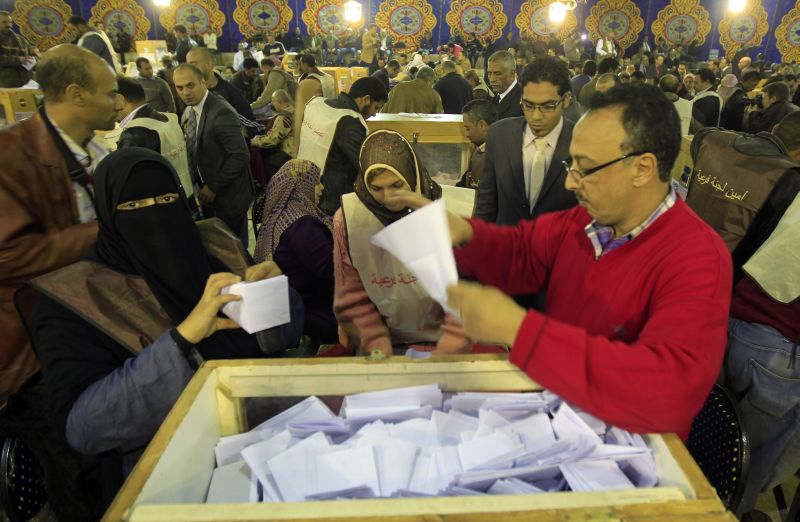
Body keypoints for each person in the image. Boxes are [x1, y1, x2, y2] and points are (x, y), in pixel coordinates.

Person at [394, 83, 732, 440]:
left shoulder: (698, 259)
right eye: (572, 165)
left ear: (643, 168)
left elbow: (666, 390)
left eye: (584, 169)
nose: (571, 183)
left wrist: (520, 330)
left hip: (627, 445)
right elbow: (522, 252)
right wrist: (464, 233)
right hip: (558, 413)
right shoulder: (586, 222)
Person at [33, 148, 303, 500]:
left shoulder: (215, 245)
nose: (154, 215)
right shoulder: (77, 294)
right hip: (169, 469)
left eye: (166, 199)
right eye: (133, 207)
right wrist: (184, 338)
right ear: (109, 216)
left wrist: (274, 293)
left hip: (268, 436)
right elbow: (84, 428)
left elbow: (281, 337)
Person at [0, 44, 120, 407]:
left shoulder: (93, 150)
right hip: (36, 348)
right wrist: (111, 229)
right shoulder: (11, 156)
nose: (118, 103)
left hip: (91, 316)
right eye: (111, 93)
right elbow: (7, 256)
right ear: (76, 95)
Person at [333, 130, 469, 356]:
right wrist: (375, 339)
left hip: (445, 339)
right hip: (383, 341)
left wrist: (455, 335)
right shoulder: (349, 219)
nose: (388, 197)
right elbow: (351, 292)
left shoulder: (447, 213)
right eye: (376, 188)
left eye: (397, 185)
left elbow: (467, 286)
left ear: (412, 177)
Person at [475, 57, 576, 225]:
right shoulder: (499, 135)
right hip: (506, 246)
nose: (536, 116)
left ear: (566, 99)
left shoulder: (582, 140)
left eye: (547, 106)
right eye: (528, 105)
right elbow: (486, 204)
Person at [254, 159, 336, 345]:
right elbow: (330, 269)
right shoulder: (302, 225)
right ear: (301, 185)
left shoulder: (280, 214)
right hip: (311, 306)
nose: (321, 188)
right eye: (316, 182)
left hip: (293, 299)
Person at [173, 64, 254, 247]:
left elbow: (240, 156)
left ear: (203, 82)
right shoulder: (190, 110)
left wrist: (213, 186)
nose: (185, 92)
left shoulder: (220, 112)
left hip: (229, 198)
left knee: (234, 252)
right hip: (209, 197)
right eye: (180, 88)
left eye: (190, 85)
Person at [297, 77, 387, 216]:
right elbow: (366, 165)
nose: (375, 113)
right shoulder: (349, 122)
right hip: (330, 200)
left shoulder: (319, 104)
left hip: (304, 183)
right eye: (376, 107)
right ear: (365, 99)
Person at [104, 77, 193, 203]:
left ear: (119, 99)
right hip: (185, 198)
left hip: (161, 209)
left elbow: (128, 186)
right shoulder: (169, 119)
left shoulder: (135, 132)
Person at [187, 47, 258, 127]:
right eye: (188, 66)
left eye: (193, 65)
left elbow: (252, 126)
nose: (189, 70)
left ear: (209, 65)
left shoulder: (231, 95)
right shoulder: (188, 94)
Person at [252, 89, 295, 178]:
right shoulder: (295, 111)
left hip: (289, 154)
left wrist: (255, 141)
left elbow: (272, 140)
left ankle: (274, 187)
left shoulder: (283, 117)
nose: (272, 104)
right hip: (298, 150)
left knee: (268, 162)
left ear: (279, 102)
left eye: (273, 102)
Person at [457, 99, 497, 189]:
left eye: (468, 129)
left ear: (482, 125)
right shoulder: (478, 149)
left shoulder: (497, 157)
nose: (467, 134)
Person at [0, 10, 35, 88]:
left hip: (28, 84)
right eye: (4, 22)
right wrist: (18, 60)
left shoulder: (22, 40)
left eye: (10, 22)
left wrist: (33, 62)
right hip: (5, 85)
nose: (8, 25)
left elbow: (33, 56)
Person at [487, 50, 522, 120]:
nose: (492, 79)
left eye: (497, 73)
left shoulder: (523, 103)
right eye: (489, 73)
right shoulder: (495, 98)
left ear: (512, 74)